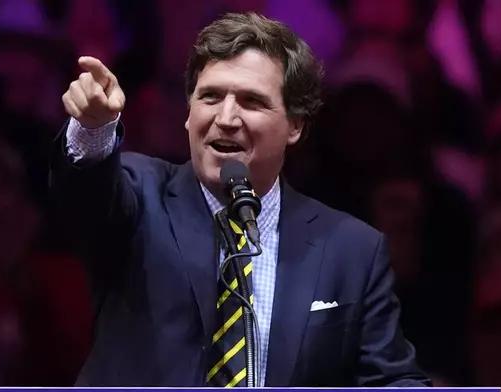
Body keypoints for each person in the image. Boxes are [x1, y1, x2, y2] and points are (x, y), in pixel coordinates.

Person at [50, 12, 431, 387]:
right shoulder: (139, 195)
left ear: (295, 124)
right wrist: (94, 128)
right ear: (188, 112)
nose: (226, 117)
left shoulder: (352, 250)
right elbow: (86, 201)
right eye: (210, 97)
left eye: (251, 101)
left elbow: (391, 380)